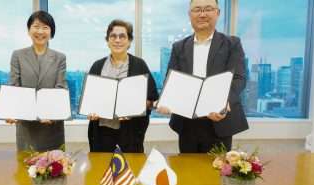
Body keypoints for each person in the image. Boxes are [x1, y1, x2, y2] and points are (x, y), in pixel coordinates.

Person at [157, 0, 248, 153]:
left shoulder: (232, 43)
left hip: (219, 120)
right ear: (190, 14)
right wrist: (167, 100)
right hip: (186, 122)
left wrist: (224, 102)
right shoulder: (179, 47)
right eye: (197, 9)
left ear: (217, 13)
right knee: (187, 171)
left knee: (217, 171)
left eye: (208, 9)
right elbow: (171, 79)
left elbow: (238, 78)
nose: (202, 14)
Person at [87, 19, 159, 153]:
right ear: (107, 41)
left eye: (122, 36)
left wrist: (136, 108)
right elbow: (89, 100)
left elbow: (152, 99)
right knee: (102, 170)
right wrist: (90, 111)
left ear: (129, 41)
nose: (117, 40)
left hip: (130, 133)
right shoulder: (97, 66)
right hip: (102, 133)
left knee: (131, 170)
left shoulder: (139, 65)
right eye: (113, 36)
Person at [7, 11, 67, 152]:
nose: (40, 31)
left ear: (51, 32)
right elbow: (14, 86)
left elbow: (60, 87)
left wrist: (52, 114)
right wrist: (11, 111)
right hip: (27, 127)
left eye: (45, 27)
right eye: (36, 26)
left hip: (52, 125)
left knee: (55, 169)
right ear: (29, 30)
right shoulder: (18, 55)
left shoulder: (60, 58)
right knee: (25, 169)